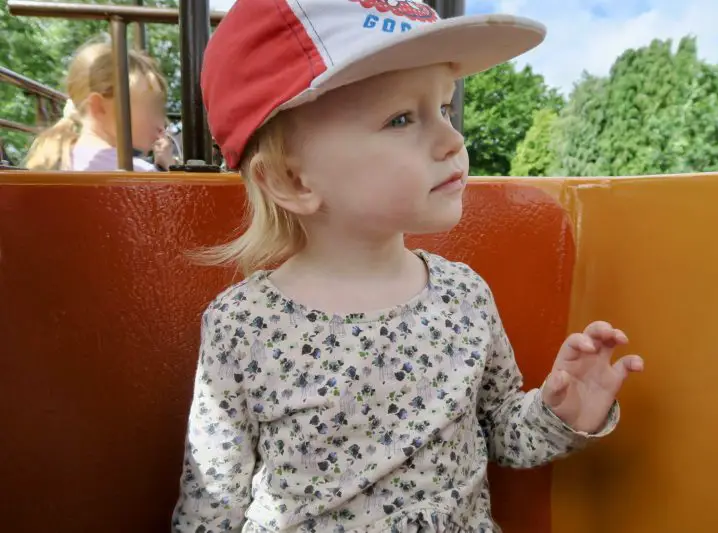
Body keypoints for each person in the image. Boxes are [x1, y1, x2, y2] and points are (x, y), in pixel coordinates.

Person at [172, 1, 644, 532]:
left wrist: (562, 415)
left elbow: (499, 432)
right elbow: (212, 504)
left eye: (444, 108)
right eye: (401, 118)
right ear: (292, 181)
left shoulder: (463, 296)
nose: (453, 140)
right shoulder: (241, 324)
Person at [24, 38, 175, 172]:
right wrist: (169, 170)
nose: (162, 124)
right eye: (150, 107)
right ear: (99, 106)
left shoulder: (53, 163)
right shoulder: (141, 175)